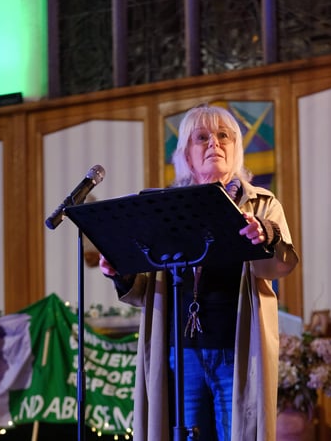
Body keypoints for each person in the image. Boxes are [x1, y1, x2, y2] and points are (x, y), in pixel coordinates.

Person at [99, 104, 299, 440]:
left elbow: (280, 266)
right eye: (202, 138)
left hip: (234, 348)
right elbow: (144, 288)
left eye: (224, 137)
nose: (214, 144)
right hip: (180, 350)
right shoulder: (165, 208)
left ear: (236, 148)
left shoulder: (262, 204)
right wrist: (121, 269)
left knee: (237, 432)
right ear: (186, 155)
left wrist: (266, 234)